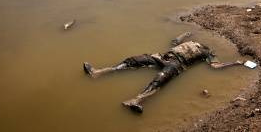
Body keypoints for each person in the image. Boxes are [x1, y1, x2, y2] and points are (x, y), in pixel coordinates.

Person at [82, 32, 244, 113]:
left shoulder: (208, 53)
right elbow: (175, 41)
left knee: (160, 79)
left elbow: (216, 66)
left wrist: (235, 63)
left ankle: (137, 100)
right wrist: (185, 34)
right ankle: (99, 72)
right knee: (133, 60)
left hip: (177, 65)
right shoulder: (191, 41)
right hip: (162, 56)